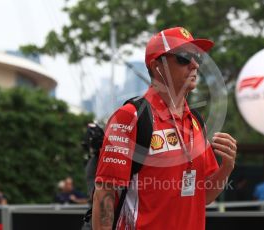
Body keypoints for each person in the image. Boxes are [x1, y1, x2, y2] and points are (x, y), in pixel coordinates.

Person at [92, 27, 237, 230]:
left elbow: (203, 197)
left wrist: (226, 168)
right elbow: (104, 196)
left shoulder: (195, 121)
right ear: (157, 66)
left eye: (197, 56)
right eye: (184, 57)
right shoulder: (129, 117)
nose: (195, 64)